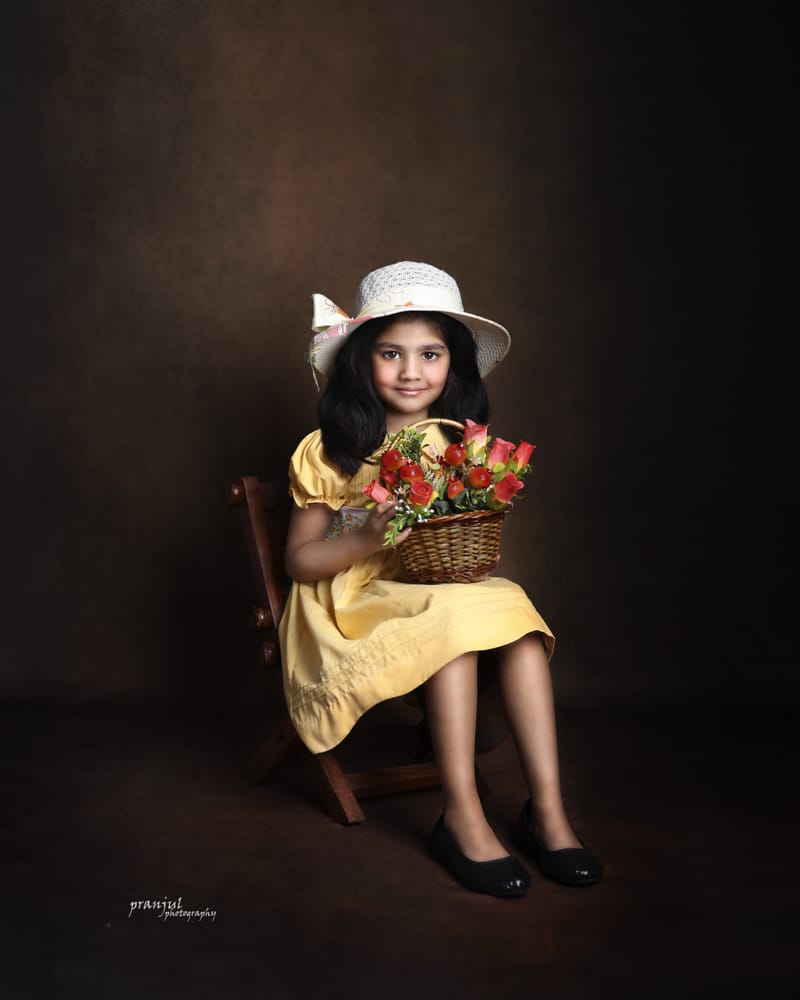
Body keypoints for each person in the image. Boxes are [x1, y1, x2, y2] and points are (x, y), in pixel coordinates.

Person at [279, 260, 601, 897]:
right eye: (390, 354)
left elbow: (452, 542)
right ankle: (461, 815)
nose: (410, 371)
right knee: (451, 627)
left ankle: (548, 811)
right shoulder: (330, 448)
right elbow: (299, 561)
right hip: (349, 599)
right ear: (360, 362)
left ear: (452, 365)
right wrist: (365, 536)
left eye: (429, 355)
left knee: (517, 616)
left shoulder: (456, 445)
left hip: (432, 586)